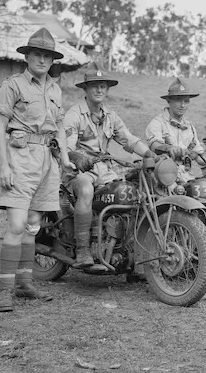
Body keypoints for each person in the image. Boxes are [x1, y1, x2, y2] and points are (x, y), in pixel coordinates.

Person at [0, 27, 76, 312]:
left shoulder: (54, 88)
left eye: (47, 56)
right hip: (20, 157)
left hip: (46, 161)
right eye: (37, 54)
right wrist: (3, 165)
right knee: (16, 225)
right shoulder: (13, 84)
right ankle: (4, 291)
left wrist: (64, 157)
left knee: (32, 225)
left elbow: (61, 125)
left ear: (53, 60)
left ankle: (25, 283)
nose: (42, 60)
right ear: (27, 56)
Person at [63, 62, 155, 270]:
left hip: (104, 170)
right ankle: (83, 250)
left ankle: (128, 251)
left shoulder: (110, 116)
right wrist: (77, 158)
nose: (98, 89)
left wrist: (149, 153)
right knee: (86, 190)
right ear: (85, 89)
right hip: (77, 171)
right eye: (94, 85)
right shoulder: (74, 114)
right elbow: (66, 148)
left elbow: (128, 139)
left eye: (103, 85)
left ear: (107, 89)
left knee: (131, 192)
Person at [145, 77, 206, 185]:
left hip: (185, 176)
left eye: (186, 101)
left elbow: (199, 156)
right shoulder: (157, 123)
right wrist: (169, 148)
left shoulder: (189, 127)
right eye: (178, 100)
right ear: (169, 101)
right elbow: (154, 144)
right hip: (163, 176)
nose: (183, 105)